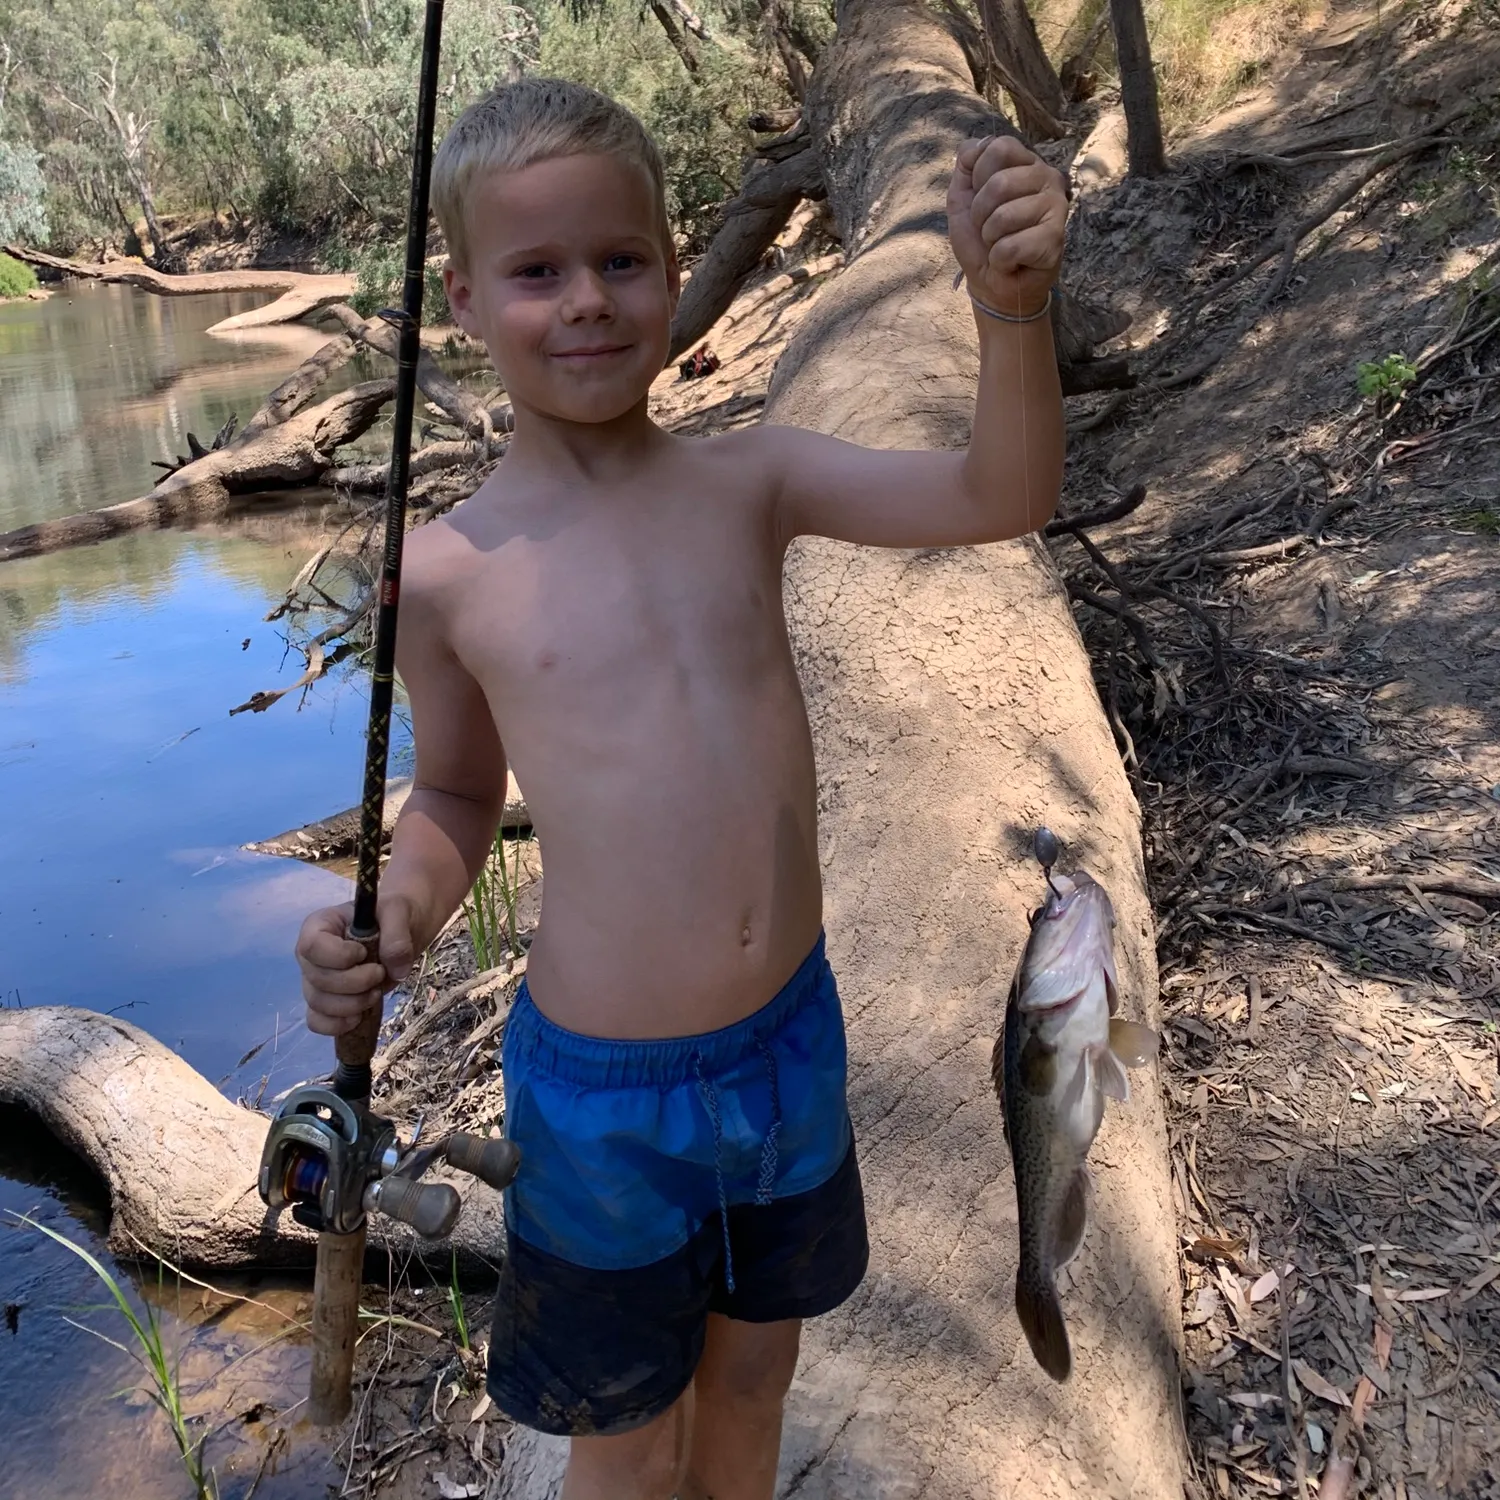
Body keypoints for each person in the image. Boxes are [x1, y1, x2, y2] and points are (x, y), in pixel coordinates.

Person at [295, 77, 1068, 1500]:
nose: (587, 298)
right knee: (627, 1435)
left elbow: (996, 494)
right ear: (463, 297)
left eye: (622, 259)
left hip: (789, 1047)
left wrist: (1011, 306)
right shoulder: (446, 576)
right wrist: (391, 915)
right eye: (537, 271)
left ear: (671, 269)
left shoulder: (751, 482)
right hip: (602, 1104)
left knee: (756, 1377)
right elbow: (460, 800)